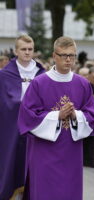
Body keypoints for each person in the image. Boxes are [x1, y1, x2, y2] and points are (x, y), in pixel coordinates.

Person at [17, 36, 94, 200]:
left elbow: (93, 116)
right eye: (64, 55)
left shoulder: (82, 84)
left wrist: (75, 114)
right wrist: (58, 115)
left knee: (69, 192)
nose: (68, 59)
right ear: (54, 56)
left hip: (71, 152)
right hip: (44, 153)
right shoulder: (39, 83)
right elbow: (27, 116)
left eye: (72, 55)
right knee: (44, 192)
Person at [0, 35, 45, 200]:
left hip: (38, 131)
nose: (27, 52)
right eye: (23, 49)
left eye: (30, 49)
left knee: (35, 168)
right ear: (15, 51)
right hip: (12, 131)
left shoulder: (42, 74)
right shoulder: (4, 75)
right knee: (12, 165)